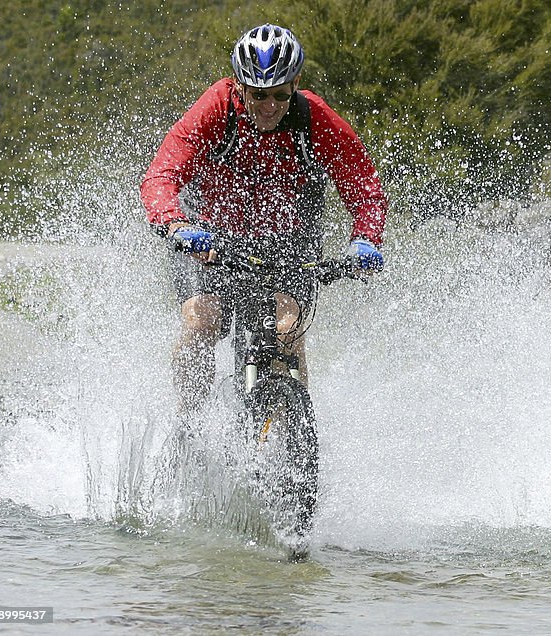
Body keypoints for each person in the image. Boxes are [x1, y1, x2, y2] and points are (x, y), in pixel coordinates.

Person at [140, 24, 388, 410]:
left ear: (295, 85)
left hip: (290, 243)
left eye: (279, 94)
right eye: (258, 95)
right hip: (209, 239)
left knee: (287, 332)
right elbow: (162, 175)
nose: (269, 105)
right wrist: (176, 223)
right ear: (240, 86)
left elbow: (364, 188)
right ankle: (188, 425)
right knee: (199, 323)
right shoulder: (217, 108)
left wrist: (366, 238)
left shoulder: (314, 118)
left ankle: (295, 440)